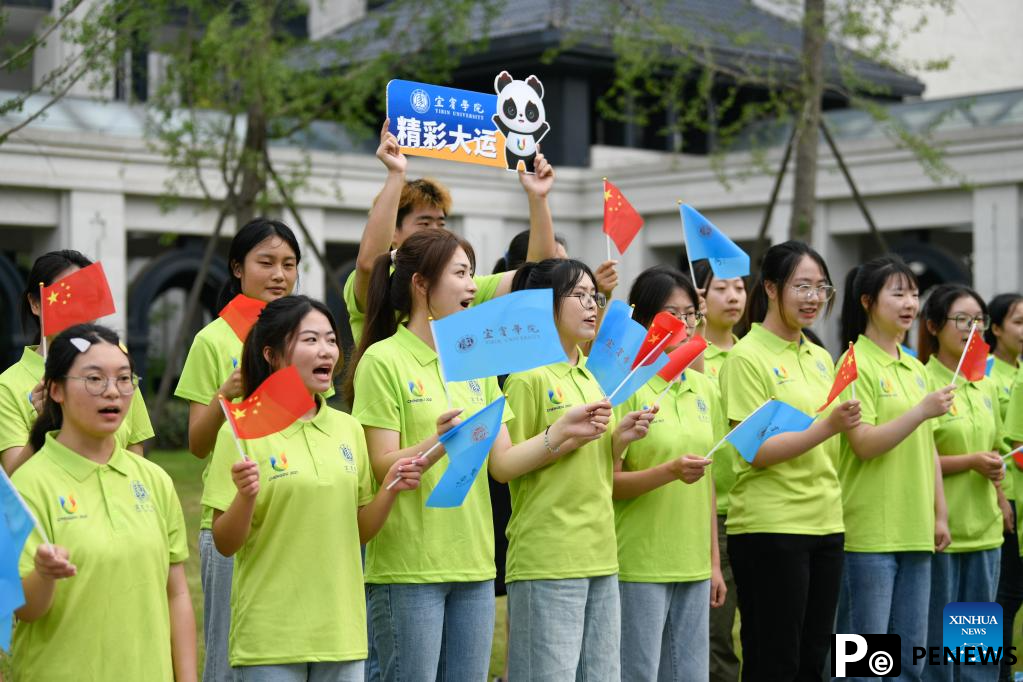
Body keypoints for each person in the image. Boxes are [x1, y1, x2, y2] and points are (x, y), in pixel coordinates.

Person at [348, 231, 610, 682]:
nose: (473, 286)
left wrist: (561, 431)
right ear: (421, 284)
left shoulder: (475, 360)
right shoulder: (383, 360)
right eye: (461, 273)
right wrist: (437, 442)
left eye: (472, 273)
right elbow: (381, 464)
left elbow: (503, 464)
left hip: (475, 564)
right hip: (410, 566)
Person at [202, 295, 421, 680]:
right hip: (270, 638)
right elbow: (225, 542)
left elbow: (358, 530)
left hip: (341, 633)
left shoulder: (348, 428)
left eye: (331, 340)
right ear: (272, 354)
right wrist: (245, 498)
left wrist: (390, 488)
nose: (327, 351)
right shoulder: (239, 431)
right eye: (310, 340)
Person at [14, 324, 194, 681]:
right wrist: (44, 575)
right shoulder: (27, 486)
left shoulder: (153, 480)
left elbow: (176, 594)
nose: (113, 392)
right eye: (94, 379)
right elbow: (23, 609)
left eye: (124, 379)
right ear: (56, 390)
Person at [502, 257, 652, 680]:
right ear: (545, 304)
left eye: (595, 296)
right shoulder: (526, 377)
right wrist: (560, 434)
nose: (592, 306)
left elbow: (596, 466)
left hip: (601, 554)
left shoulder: (591, 377)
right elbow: (506, 464)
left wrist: (619, 438)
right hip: (548, 558)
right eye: (579, 295)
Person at [718, 240, 861, 682]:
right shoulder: (746, 357)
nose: (814, 297)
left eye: (821, 287)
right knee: (775, 659)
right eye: (802, 286)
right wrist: (826, 427)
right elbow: (755, 450)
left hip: (825, 523)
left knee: (815, 655)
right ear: (772, 289)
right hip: (771, 527)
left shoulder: (821, 357)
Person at [174, 217, 302, 682]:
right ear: (236, 267)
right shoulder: (212, 340)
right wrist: (223, 397)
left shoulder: (304, 337)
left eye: (289, 264)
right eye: (265, 262)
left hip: (296, 509)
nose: (279, 275)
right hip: (232, 510)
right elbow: (196, 444)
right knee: (228, 655)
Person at [836, 256, 953, 681]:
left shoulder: (915, 368)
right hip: (870, 531)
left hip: (915, 529)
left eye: (914, 294)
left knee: (909, 660)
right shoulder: (853, 363)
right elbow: (864, 444)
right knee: (866, 661)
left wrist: (939, 514)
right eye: (898, 293)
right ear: (868, 301)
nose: (910, 303)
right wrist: (921, 411)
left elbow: (929, 450)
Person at [342, 120, 559, 348]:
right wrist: (396, 173)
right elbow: (368, 264)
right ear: (393, 233)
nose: (436, 233)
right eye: (424, 223)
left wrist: (538, 197)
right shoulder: (381, 281)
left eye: (441, 223)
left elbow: (536, 275)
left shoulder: (463, 285)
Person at [614, 265, 727, 680]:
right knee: (639, 674)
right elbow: (609, 484)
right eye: (670, 314)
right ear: (643, 320)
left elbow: (708, 481)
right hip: (640, 562)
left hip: (694, 563)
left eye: (690, 314)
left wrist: (713, 563)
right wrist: (669, 472)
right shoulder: (623, 388)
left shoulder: (704, 388)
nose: (682, 324)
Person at [0, 250, 153, 474]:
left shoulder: (117, 370)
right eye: (66, 297)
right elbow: (14, 475)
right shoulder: (7, 387)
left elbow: (135, 456)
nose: (79, 310)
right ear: (35, 304)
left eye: (87, 298)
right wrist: (46, 422)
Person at [919, 284, 1005, 682]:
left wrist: (999, 488)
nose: (973, 328)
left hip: (984, 532)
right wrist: (970, 461)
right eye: (962, 320)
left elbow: (994, 447)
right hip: (942, 534)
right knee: (937, 651)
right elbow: (919, 459)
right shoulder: (923, 383)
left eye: (978, 321)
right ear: (934, 326)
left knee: (976, 651)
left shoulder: (983, 383)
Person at [692, 258, 746, 682]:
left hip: (762, 510)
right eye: (722, 288)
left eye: (740, 288)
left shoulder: (754, 355)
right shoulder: (690, 358)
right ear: (700, 298)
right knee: (715, 636)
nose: (733, 297)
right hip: (717, 512)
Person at [984, 292, 1023, 682]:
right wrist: (1000, 497)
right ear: (995, 329)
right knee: (996, 602)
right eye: (1018, 322)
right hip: (996, 504)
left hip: (1003, 506)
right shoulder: (984, 377)